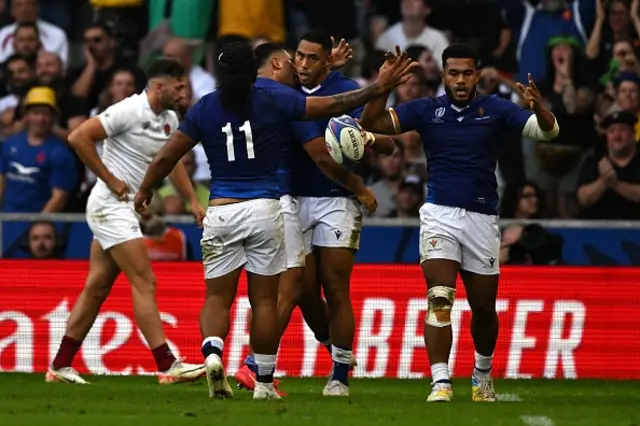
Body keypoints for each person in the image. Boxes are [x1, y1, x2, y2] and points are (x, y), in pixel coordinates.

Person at [133, 41, 415, 400]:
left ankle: (213, 353)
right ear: (255, 71)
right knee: (265, 301)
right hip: (267, 208)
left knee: (218, 298)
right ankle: (263, 381)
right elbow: (331, 105)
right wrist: (379, 87)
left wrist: (144, 190)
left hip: (221, 209)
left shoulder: (204, 107)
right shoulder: (274, 100)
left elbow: (166, 157)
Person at [359, 44, 559, 402]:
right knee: (439, 297)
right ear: (443, 75)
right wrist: (382, 84)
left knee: (483, 308)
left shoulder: (496, 110)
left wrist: (539, 109)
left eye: (467, 73)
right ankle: (440, 381)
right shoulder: (426, 110)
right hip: (439, 215)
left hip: (482, 218)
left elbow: (547, 132)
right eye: (454, 73)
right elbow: (372, 123)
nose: (461, 80)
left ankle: (482, 374)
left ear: (477, 75)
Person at [234, 42, 396, 397]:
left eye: (312, 59)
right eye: (299, 59)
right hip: (291, 198)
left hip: (334, 201)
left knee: (334, 287)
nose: (303, 65)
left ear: (326, 61)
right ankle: (280, 361)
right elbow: (320, 155)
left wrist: (367, 137)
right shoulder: (286, 94)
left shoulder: (345, 89)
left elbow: (386, 143)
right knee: (301, 291)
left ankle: (338, 375)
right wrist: (359, 185)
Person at [46, 58, 207, 385]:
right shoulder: (128, 110)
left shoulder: (169, 118)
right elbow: (78, 137)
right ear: (159, 86)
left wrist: (192, 199)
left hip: (126, 208)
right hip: (110, 205)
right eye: (178, 87)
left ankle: (59, 367)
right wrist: (109, 178)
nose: (182, 93)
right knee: (144, 280)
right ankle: (166, 365)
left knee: (97, 287)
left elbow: (170, 160)